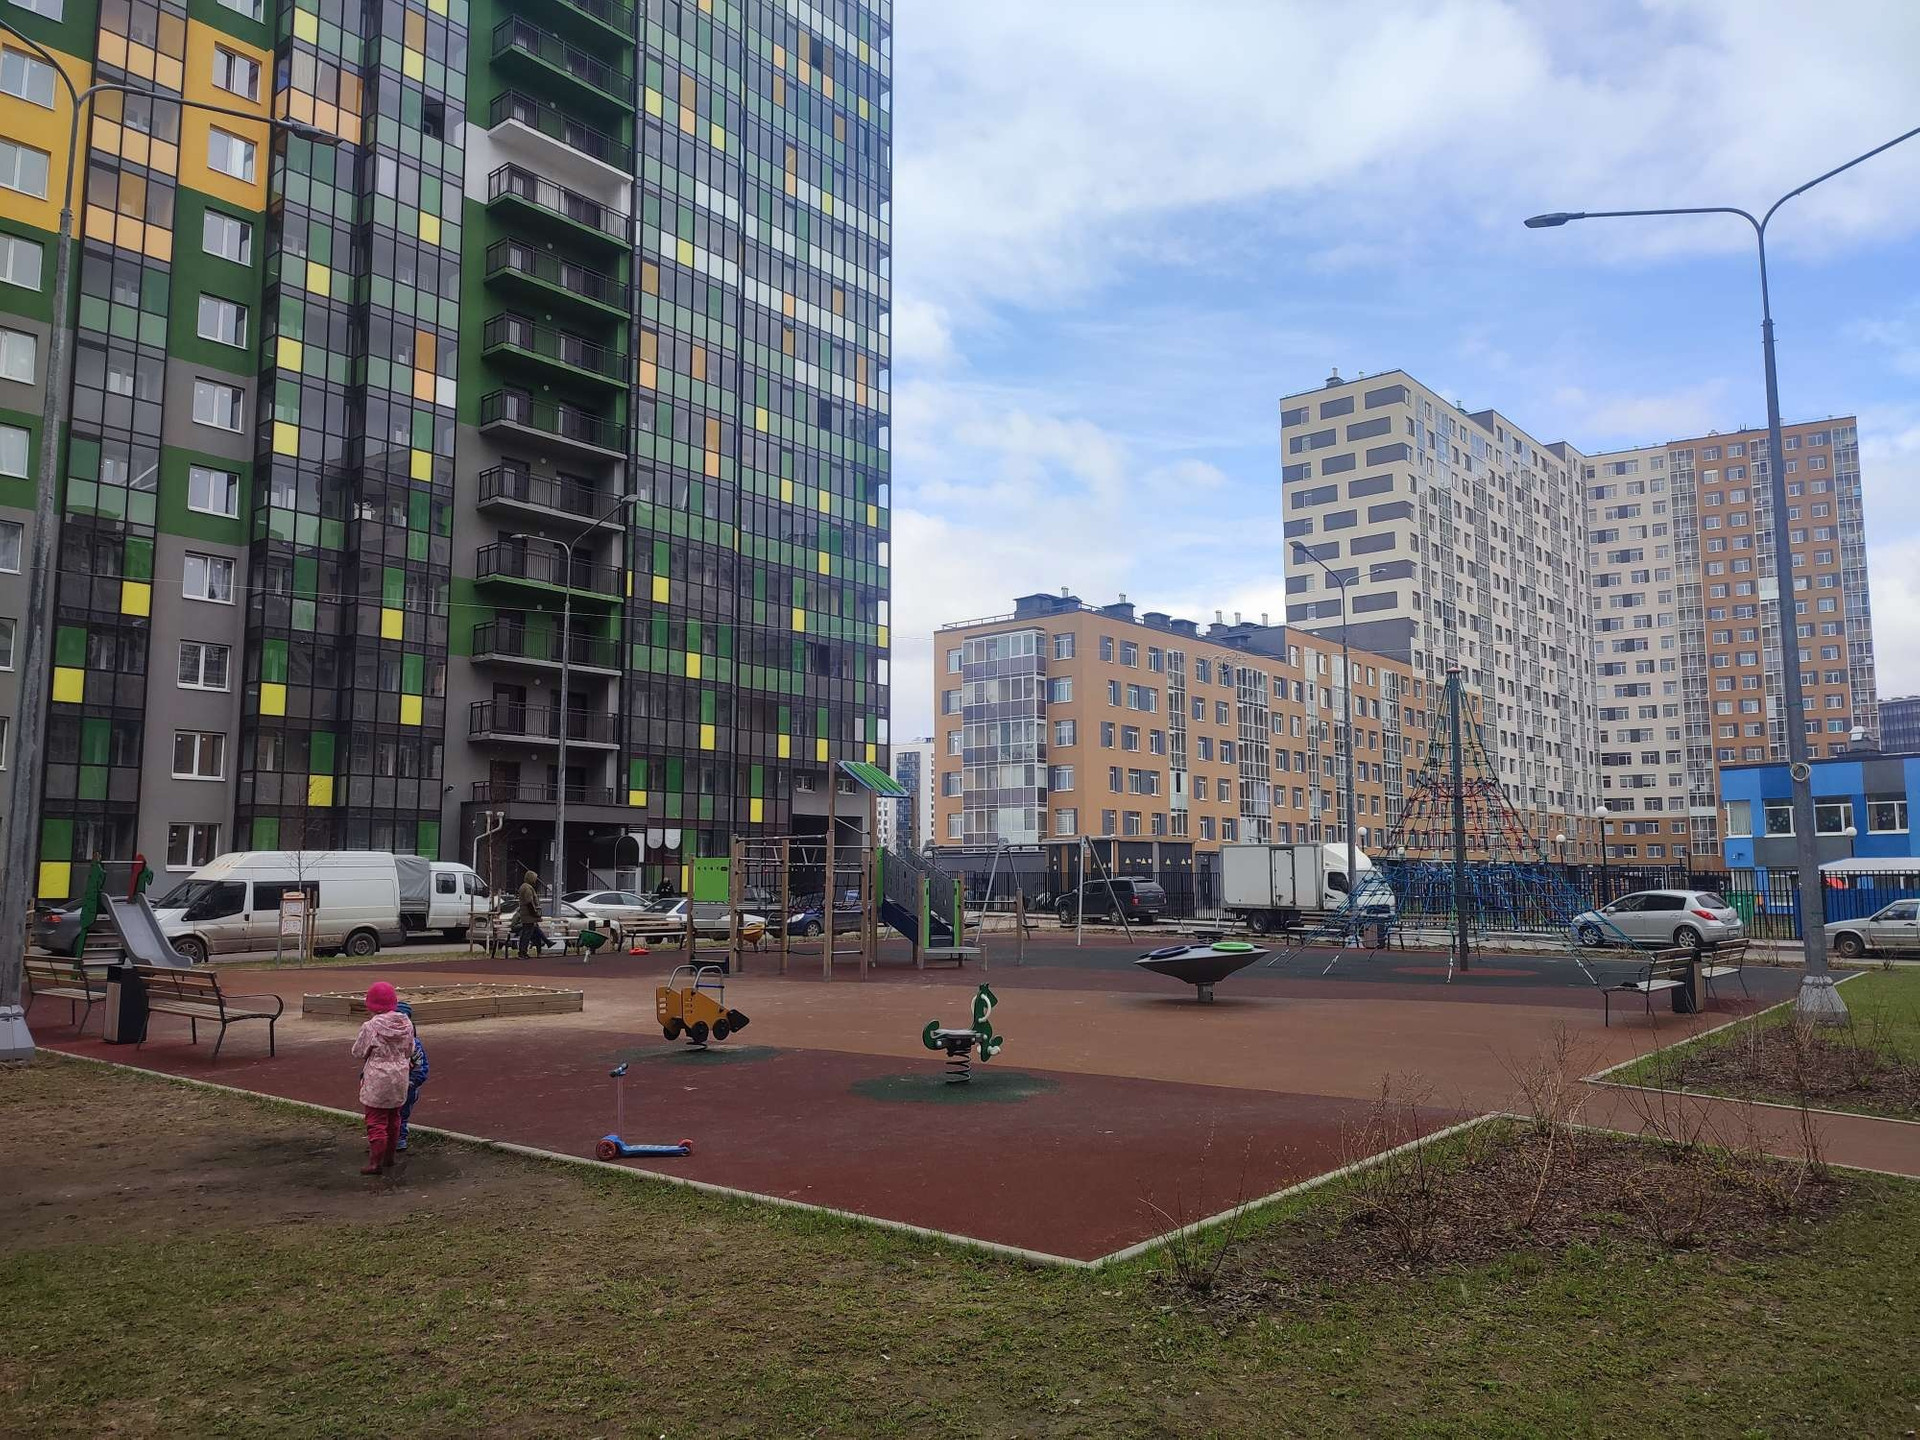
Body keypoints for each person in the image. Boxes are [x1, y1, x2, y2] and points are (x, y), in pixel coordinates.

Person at [352, 981, 414, 1174]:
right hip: (400, 1075)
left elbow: (358, 1051)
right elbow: (410, 1049)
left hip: (378, 1077)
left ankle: (375, 1162)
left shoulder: (371, 1026)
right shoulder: (406, 1023)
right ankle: (389, 1158)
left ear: (371, 1004)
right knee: (394, 1117)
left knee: (376, 1120)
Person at [393, 1000, 430, 1152]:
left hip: (406, 1085)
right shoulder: (383, 1040)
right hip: (392, 1085)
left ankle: (398, 1138)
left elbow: (421, 1067)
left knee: (400, 1113)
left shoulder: (413, 1044)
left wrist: (412, 1083)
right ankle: (385, 1139)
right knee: (391, 1114)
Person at [516, 869, 548, 957]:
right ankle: (523, 952)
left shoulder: (524, 887)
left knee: (527, 933)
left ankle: (523, 952)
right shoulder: (527, 888)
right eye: (534, 878)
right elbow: (529, 902)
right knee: (527, 935)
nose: (535, 880)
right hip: (529, 916)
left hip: (526, 915)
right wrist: (535, 913)